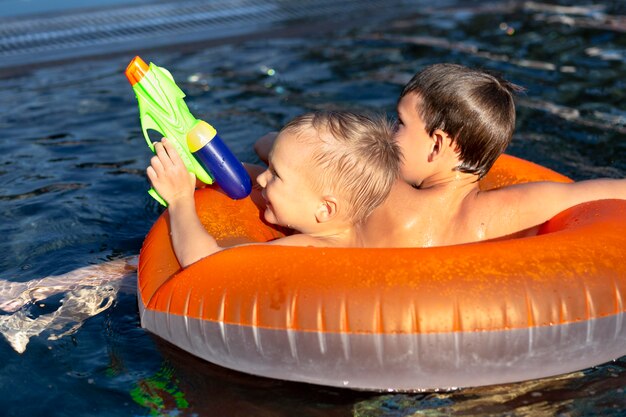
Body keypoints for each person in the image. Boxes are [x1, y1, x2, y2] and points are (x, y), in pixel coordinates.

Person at [255, 63, 626, 247]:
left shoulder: (385, 193)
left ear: (437, 144)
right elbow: (604, 191)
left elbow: (299, 159)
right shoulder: (515, 209)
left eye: (400, 123)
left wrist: (273, 143)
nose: (390, 132)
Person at [147, 110, 400, 267]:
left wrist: (180, 199)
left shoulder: (312, 252)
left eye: (276, 175)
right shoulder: (341, 227)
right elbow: (263, 175)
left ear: (325, 208)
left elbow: (204, 263)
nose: (264, 178)